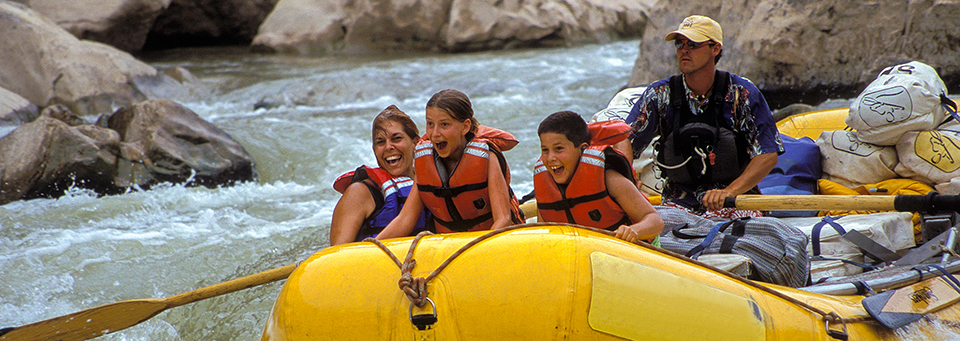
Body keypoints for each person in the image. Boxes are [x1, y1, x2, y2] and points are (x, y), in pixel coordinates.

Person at [626, 15, 784, 216]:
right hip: (678, 202)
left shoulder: (742, 93)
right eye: (679, 43)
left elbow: (767, 154)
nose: (684, 49)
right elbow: (625, 142)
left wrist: (728, 192)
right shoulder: (658, 95)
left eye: (693, 44)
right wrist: (627, 176)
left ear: (715, 49)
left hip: (735, 200)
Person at [376, 89, 523, 239]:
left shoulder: (486, 158)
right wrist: (373, 245)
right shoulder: (426, 160)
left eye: (444, 124)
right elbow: (405, 219)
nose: (435, 133)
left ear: (465, 127)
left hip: (491, 243)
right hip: (450, 246)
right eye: (430, 124)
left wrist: (475, 250)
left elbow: (503, 219)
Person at [534, 111, 663, 244]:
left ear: (583, 148)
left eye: (559, 149)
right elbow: (544, 232)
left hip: (627, 250)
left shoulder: (609, 178)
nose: (550, 158)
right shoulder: (546, 184)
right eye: (545, 150)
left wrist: (633, 231)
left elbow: (655, 221)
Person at [329, 105, 429, 245]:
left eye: (396, 138)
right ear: (374, 149)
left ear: (415, 143)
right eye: (380, 142)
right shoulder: (359, 193)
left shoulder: (432, 181)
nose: (388, 147)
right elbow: (336, 257)